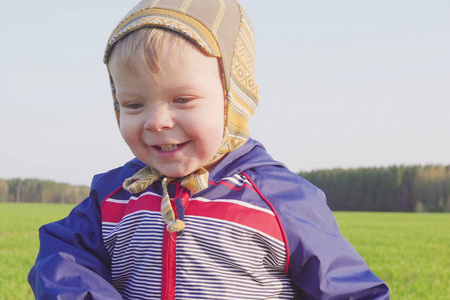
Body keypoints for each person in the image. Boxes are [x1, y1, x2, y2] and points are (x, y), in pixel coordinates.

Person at [28, 0, 390, 299]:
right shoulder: (113, 197)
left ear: (233, 100)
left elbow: (351, 291)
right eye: (134, 105)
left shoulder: (280, 199)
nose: (156, 122)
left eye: (182, 99)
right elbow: (62, 259)